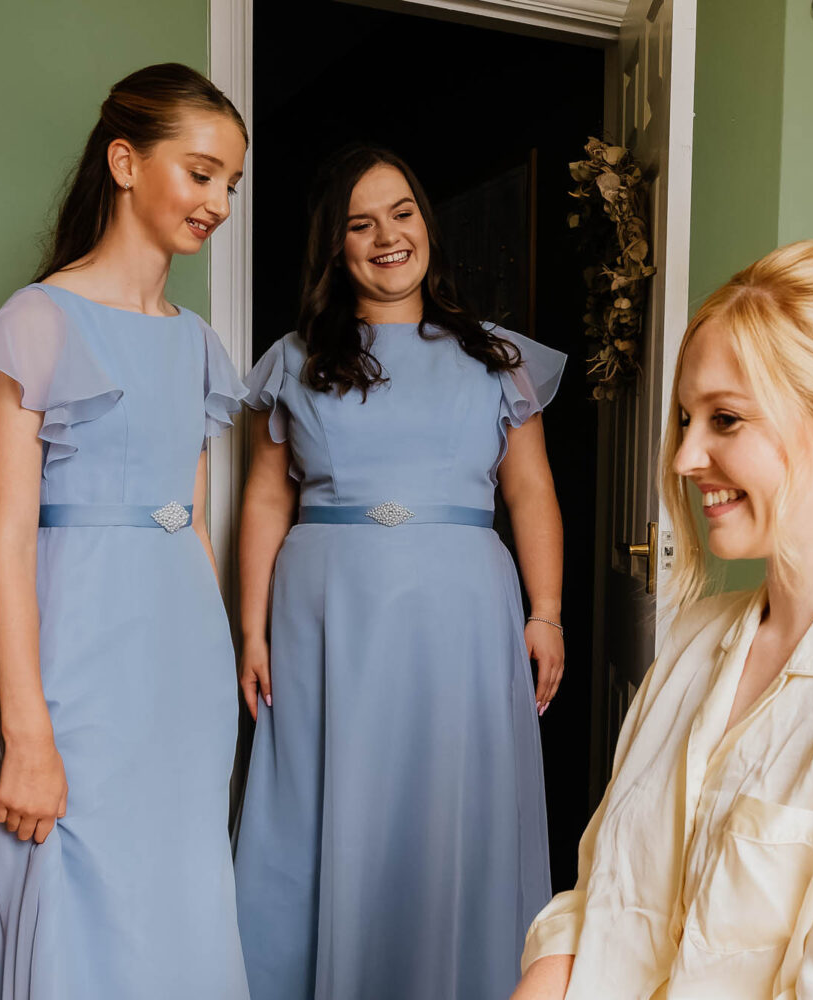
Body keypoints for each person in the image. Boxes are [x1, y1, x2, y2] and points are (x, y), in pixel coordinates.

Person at [513, 239, 813, 1000]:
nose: (684, 457)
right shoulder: (694, 643)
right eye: (687, 419)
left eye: (726, 420)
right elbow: (598, 909)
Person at [0, 63, 250, 999]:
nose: (218, 202)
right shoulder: (36, 321)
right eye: (200, 173)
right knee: (78, 914)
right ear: (125, 161)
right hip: (74, 675)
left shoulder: (198, 341)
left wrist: (218, 666)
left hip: (181, 676)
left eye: (230, 184)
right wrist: (29, 735)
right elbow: (6, 541)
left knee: (180, 909)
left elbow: (193, 521)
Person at [231, 144, 564, 1000]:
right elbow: (266, 501)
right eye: (361, 221)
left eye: (403, 212)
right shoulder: (295, 358)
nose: (388, 235)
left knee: (450, 820)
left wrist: (548, 612)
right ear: (334, 245)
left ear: (428, 224)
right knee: (330, 815)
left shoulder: (496, 358)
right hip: (327, 620)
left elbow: (529, 494)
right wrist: (252, 626)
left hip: (463, 619)